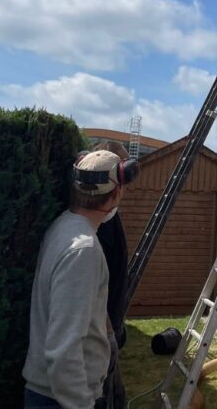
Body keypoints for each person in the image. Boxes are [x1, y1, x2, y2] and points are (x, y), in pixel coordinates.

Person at [23, 149, 138, 409]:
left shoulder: (63, 226)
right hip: (61, 399)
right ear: (116, 192)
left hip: (53, 395)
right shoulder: (83, 250)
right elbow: (63, 350)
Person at [93, 141, 132, 409]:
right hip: (101, 333)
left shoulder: (109, 217)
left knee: (116, 397)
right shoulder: (96, 230)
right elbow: (95, 288)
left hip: (110, 326)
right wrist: (108, 331)